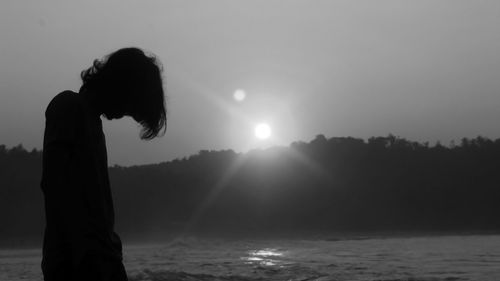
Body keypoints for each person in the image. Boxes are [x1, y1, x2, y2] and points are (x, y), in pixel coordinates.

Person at [40, 47, 167, 281]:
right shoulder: (68, 106)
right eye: (128, 105)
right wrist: (84, 254)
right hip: (80, 263)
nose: (123, 113)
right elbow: (53, 184)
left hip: (99, 259)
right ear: (118, 85)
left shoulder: (92, 124)